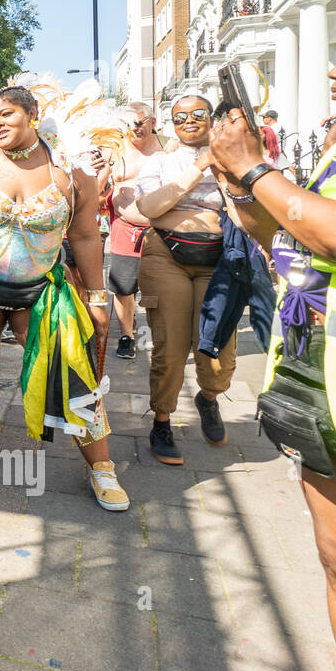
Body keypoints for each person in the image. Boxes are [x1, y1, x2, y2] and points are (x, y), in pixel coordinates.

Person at [0, 81, 128, 511]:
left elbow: (87, 236)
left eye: (8, 115)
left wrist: (98, 295)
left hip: (43, 285)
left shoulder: (71, 170)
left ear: (32, 114)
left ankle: (102, 467)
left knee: (72, 369)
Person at [208, 29, 336, 661]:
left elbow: (335, 236)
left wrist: (255, 167)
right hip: (317, 382)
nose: (334, 73)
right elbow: (279, 231)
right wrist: (238, 182)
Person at [135, 92, 235, 465]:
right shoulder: (160, 162)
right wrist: (199, 167)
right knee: (170, 349)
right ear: (171, 124)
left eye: (198, 114)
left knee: (217, 349)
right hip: (166, 258)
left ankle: (208, 398)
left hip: (219, 261)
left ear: (212, 118)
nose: (189, 121)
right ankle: (162, 422)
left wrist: (224, 167)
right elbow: (150, 207)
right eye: (180, 117)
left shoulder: (233, 160)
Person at [108, 102, 166, 359]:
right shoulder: (116, 151)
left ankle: (157, 333)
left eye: (140, 122)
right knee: (123, 287)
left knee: (157, 286)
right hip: (124, 228)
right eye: (129, 123)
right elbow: (98, 187)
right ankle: (126, 335)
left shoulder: (168, 148)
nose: (134, 128)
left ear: (152, 122)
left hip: (160, 230)